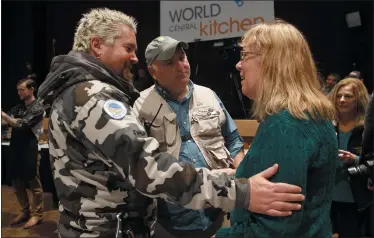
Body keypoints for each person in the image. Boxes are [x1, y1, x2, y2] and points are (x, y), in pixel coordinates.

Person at [37, 8, 305, 238]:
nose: (134, 58)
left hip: (193, 214)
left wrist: (231, 174)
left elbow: (230, 141)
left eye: (182, 57)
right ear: (97, 45)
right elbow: (149, 168)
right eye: (128, 48)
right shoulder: (93, 96)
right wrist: (242, 192)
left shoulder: (79, 91)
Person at [215, 20, 338, 238]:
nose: (238, 65)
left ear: (271, 61)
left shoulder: (285, 124)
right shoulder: (311, 115)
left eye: (245, 55)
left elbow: (274, 228)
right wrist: (238, 175)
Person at [133, 36, 244, 238]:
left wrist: (243, 175)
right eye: (169, 62)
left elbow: (233, 140)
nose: (180, 66)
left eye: (182, 58)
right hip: (169, 222)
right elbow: (137, 166)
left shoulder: (208, 95)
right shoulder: (140, 106)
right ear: (152, 71)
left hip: (217, 212)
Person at [328, 78, 369, 237]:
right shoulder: (327, 125)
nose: (342, 100)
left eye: (348, 96)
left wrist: (356, 160)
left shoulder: (367, 129)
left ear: (358, 99)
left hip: (356, 200)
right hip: (326, 199)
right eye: (339, 96)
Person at [1, 78, 44, 228]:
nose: (19, 92)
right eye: (18, 90)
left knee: (34, 183)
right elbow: (6, 123)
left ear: (31, 89)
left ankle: (37, 214)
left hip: (30, 148)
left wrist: (4, 115)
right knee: (17, 182)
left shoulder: (38, 108)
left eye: (22, 89)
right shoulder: (18, 108)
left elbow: (22, 125)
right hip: (16, 147)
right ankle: (25, 211)